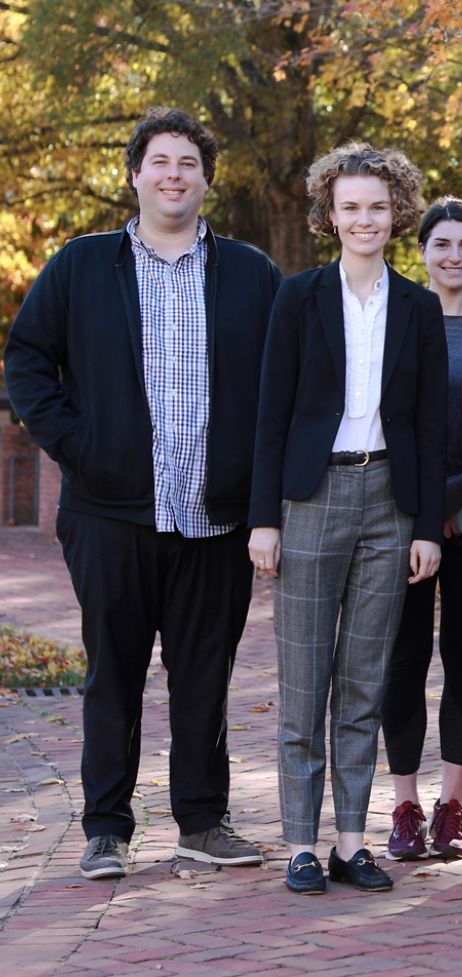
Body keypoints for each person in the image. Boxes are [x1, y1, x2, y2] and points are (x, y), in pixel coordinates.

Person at [3, 108, 280, 881]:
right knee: (112, 674)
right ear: (135, 173)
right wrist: (79, 447)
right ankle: (106, 829)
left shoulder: (251, 274)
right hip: (109, 512)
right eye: (160, 161)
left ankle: (201, 820)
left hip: (213, 516)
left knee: (204, 676)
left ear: (206, 179)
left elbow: (279, 391)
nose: (173, 175)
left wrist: (259, 498)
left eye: (188, 163)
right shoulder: (83, 265)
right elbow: (26, 361)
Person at [249, 142, 446, 895]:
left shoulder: (420, 307)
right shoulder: (297, 299)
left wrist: (427, 525)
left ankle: (350, 841)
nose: (365, 218)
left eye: (377, 205)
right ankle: (300, 843)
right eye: (350, 206)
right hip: (309, 500)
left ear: (398, 212)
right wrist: (264, 517)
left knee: (363, 682)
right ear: (329, 216)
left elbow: (429, 427)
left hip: (388, 502)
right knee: (303, 681)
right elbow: (271, 414)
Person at [381, 197, 462, 862]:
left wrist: (453, 498)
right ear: (420, 250)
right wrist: (424, 509)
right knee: (403, 661)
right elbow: (382, 424)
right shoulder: (394, 323)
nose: (454, 255)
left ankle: (451, 806)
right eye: (441, 243)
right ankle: (404, 804)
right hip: (402, 521)